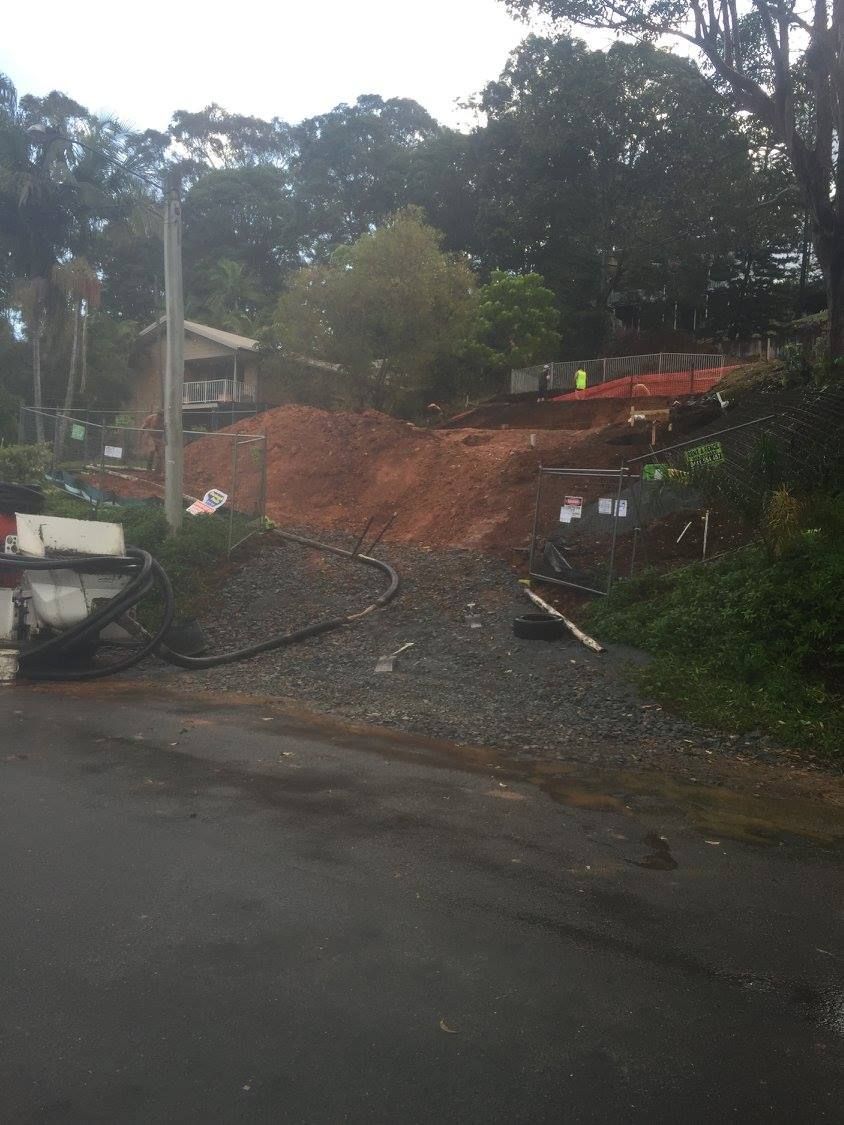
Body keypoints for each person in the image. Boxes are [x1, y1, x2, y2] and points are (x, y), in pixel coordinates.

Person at [140, 410, 165, 474]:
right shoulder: (151, 418)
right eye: (159, 417)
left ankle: (157, 471)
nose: (160, 419)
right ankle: (148, 469)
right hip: (151, 437)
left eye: (162, 417)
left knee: (161, 455)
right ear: (157, 415)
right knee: (152, 451)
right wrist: (141, 434)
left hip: (159, 438)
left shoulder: (165, 421)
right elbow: (143, 427)